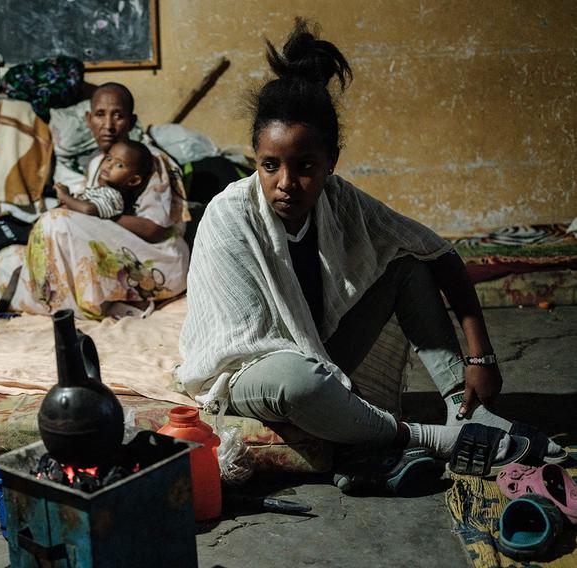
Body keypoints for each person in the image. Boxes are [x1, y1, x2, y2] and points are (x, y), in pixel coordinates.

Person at [178, 19, 563, 473]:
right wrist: (317, 376)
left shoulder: (339, 199)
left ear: (330, 164)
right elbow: (247, 345)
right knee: (299, 381)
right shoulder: (228, 216)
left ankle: (467, 409)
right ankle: (433, 437)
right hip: (248, 373)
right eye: (269, 165)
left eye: (304, 166)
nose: (286, 183)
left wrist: (481, 357)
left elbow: (437, 253)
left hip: (317, 354)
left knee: (407, 267)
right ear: (254, 161)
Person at [0, 82, 191, 320]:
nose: (108, 125)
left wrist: (95, 215)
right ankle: (81, 306)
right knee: (8, 259)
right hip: (113, 257)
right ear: (88, 120)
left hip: (158, 262)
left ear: (132, 121)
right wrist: (81, 216)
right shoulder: (97, 163)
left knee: (58, 222)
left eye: (118, 116)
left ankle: (100, 307)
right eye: (100, 115)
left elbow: (157, 230)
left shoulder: (153, 160)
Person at [54, 139, 154, 219]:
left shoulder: (113, 196)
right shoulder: (98, 190)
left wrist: (65, 197)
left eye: (119, 165)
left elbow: (88, 210)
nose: (109, 165)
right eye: (109, 158)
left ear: (133, 180)